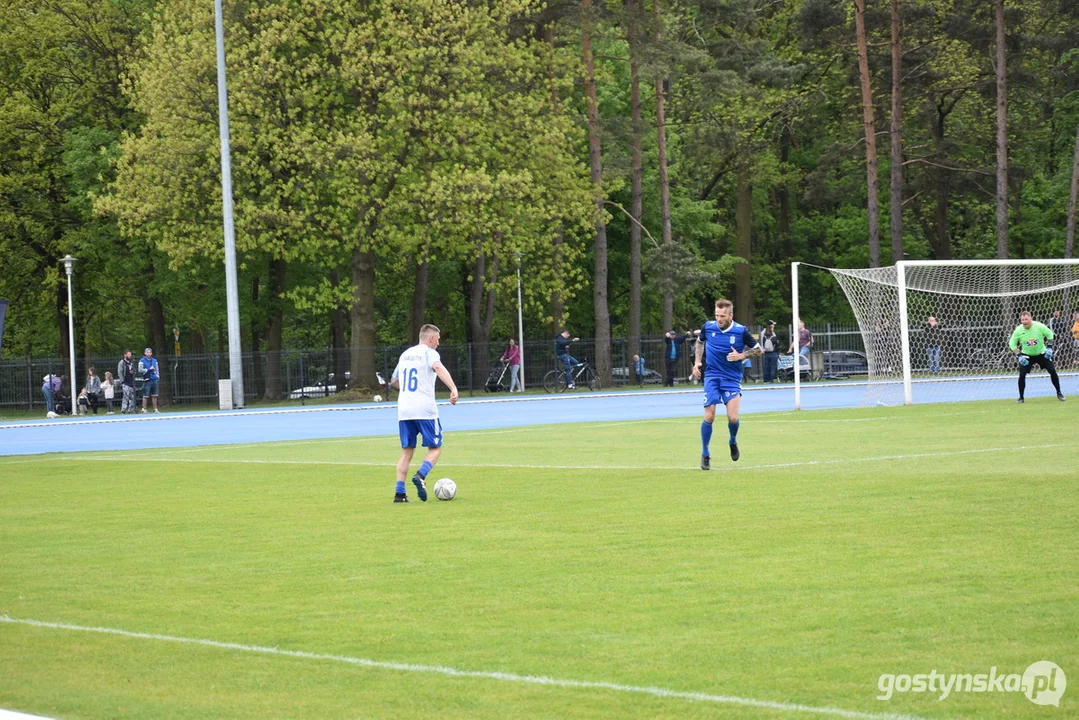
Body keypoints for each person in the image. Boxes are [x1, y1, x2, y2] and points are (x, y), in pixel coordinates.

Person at [390, 323, 459, 503]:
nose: (438, 342)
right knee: (435, 447)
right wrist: (453, 388)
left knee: (406, 451)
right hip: (425, 409)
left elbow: (394, 381)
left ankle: (400, 493)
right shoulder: (430, 353)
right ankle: (420, 476)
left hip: (404, 410)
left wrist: (409, 391)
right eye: (437, 339)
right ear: (430, 338)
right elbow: (438, 367)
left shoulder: (405, 355)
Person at [692, 298, 762, 470]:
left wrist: (741, 356)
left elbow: (759, 349)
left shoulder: (740, 331)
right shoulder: (708, 327)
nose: (719, 319)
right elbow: (699, 342)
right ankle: (705, 453)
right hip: (712, 376)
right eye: (717, 315)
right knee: (709, 416)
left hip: (731, 379)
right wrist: (697, 362)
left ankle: (732, 440)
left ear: (731, 315)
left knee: (732, 417)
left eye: (722, 316)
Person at [1009, 311, 1065, 404]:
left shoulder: (1039, 326)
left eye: (1026, 319)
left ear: (1031, 319)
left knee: (1052, 370)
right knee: (1022, 375)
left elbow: (1050, 334)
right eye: (1023, 320)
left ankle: (1059, 393)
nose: (1024, 321)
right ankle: (1021, 397)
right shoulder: (1018, 330)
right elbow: (1012, 344)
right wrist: (1019, 356)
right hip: (1026, 355)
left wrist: (1049, 348)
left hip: (1041, 353)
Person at [139, 347, 160, 413]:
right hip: (147, 379)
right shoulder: (142, 360)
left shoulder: (154, 360)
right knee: (145, 395)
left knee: (155, 395)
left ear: (151, 353)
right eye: (147, 352)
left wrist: (157, 376)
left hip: (154, 379)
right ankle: (144, 409)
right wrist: (148, 369)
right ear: (145, 353)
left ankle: (155, 409)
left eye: (150, 352)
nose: (148, 353)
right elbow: (140, 370)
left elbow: (157, 369)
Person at [117, 350, 137, 414]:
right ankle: (123, 409)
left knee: (132, 396)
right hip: (125, 381)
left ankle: (131, 409)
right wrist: (122, 381)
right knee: (126, 396)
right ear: (125, 355)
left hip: (131, 381)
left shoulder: (131, 362)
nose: (130, 355)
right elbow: (120, 372)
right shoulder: (122, 362)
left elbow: (134, 371)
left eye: (130, 354)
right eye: (128, 354)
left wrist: (133, 372)